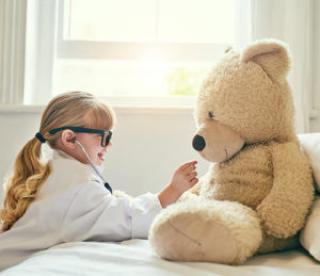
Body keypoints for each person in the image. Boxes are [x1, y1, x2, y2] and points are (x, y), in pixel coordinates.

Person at [0, 91, 198, 270]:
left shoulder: (54, 173)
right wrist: (173, 190)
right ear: (69, 139)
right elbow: (127, 219)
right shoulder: (78, 187)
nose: (109, 144)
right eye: (103, 136)